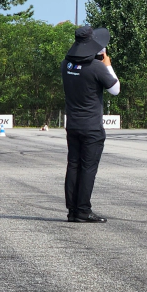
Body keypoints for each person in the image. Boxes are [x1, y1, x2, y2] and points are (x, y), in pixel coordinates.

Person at [61, 25, 120, 223]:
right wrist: (108, 65)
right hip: (92, 127)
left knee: (73, 166)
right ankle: (83, 210)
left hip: (73, 124)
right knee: (88, 168)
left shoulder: (65, 65)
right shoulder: (96, 67)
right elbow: (115, 90)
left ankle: (72, 211)